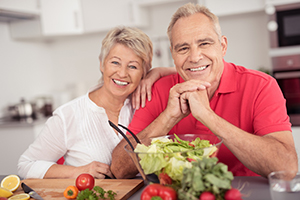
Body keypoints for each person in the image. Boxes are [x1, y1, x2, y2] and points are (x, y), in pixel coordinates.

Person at [110, 3, 298, 178]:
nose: (194, 57)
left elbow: (286, 169)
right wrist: (169, 116)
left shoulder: (261, 86)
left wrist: (208, 116)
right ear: (173, 55)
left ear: (222, 46)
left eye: (205, 43)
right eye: (183, 48)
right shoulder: (158, 90)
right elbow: (119, 169)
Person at [18, 26, 176, 179]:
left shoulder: (147, 103)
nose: (122, 73)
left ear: (144, 72)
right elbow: (26, 164)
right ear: (101, 63)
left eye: (133, 66)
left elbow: (190, 72)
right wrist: (77, 172)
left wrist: (159, 71)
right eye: (115, 62)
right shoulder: (68, 115)